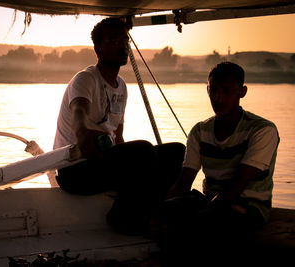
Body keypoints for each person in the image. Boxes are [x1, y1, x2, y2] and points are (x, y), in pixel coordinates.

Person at [53, 17, 185, 235]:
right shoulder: (85, 79)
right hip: (75, 170)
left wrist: (130, 159)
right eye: (113, 40)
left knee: (176, 151)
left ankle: (155, 211)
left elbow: (119, 136)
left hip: (103, 163)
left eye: (125, 40)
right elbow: (79, 113)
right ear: (98, 49)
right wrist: (84, 131)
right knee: (143, 150)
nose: (122, 46)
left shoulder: (121, 87)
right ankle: (121, 218)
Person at [157, 62, 280, 258]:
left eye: (226, 91)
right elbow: (185, 180)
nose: (218, 98)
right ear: (207, 90)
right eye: (213, 90)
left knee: (214, 223)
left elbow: (238, 184)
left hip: (248, 207)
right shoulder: (200, 131)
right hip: (211, 201)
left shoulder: (262, 130)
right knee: (165, 212)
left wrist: (203, 214)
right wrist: (164, 208)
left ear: (242, 92)